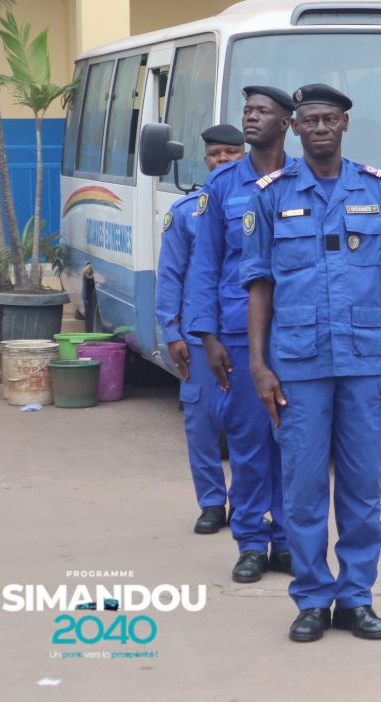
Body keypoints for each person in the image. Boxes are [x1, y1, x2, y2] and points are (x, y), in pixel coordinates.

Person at [242, 82, 381, 643]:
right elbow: (259, 285)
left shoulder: (378, 189)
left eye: (329, 119)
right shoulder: (271, 195)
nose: (320, 128)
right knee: (304, 488)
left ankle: (357, 598)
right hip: (298, 364)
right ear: (295, 127)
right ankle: (313, 599)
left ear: (344, 124)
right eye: (310, 120)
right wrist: (259, 364)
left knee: (363, 489)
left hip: (365, 362)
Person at [186, 86, 295, 584]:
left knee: (292, 441)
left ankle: (288, 541)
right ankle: (251, 541)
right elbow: (204, 264)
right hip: (234, 331)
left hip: (294, 331)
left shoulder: (303, 178)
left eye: (262, 111)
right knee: (249, 442)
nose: (250, 117)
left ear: (285, 123)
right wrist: (206, 335)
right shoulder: (222, 184)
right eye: (247, 110)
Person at [157, 123, 244, 534]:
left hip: (244, 336)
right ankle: (211, 503)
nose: (222, 160)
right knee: (202, 426)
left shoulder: (260, 203)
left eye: (231, 152)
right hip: (196, 337)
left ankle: (245, 503)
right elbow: (170, 275)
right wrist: (172, 331)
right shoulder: (186, 211)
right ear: (205, 159)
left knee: (248, 428)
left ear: (244, 155)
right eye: (215, 154)